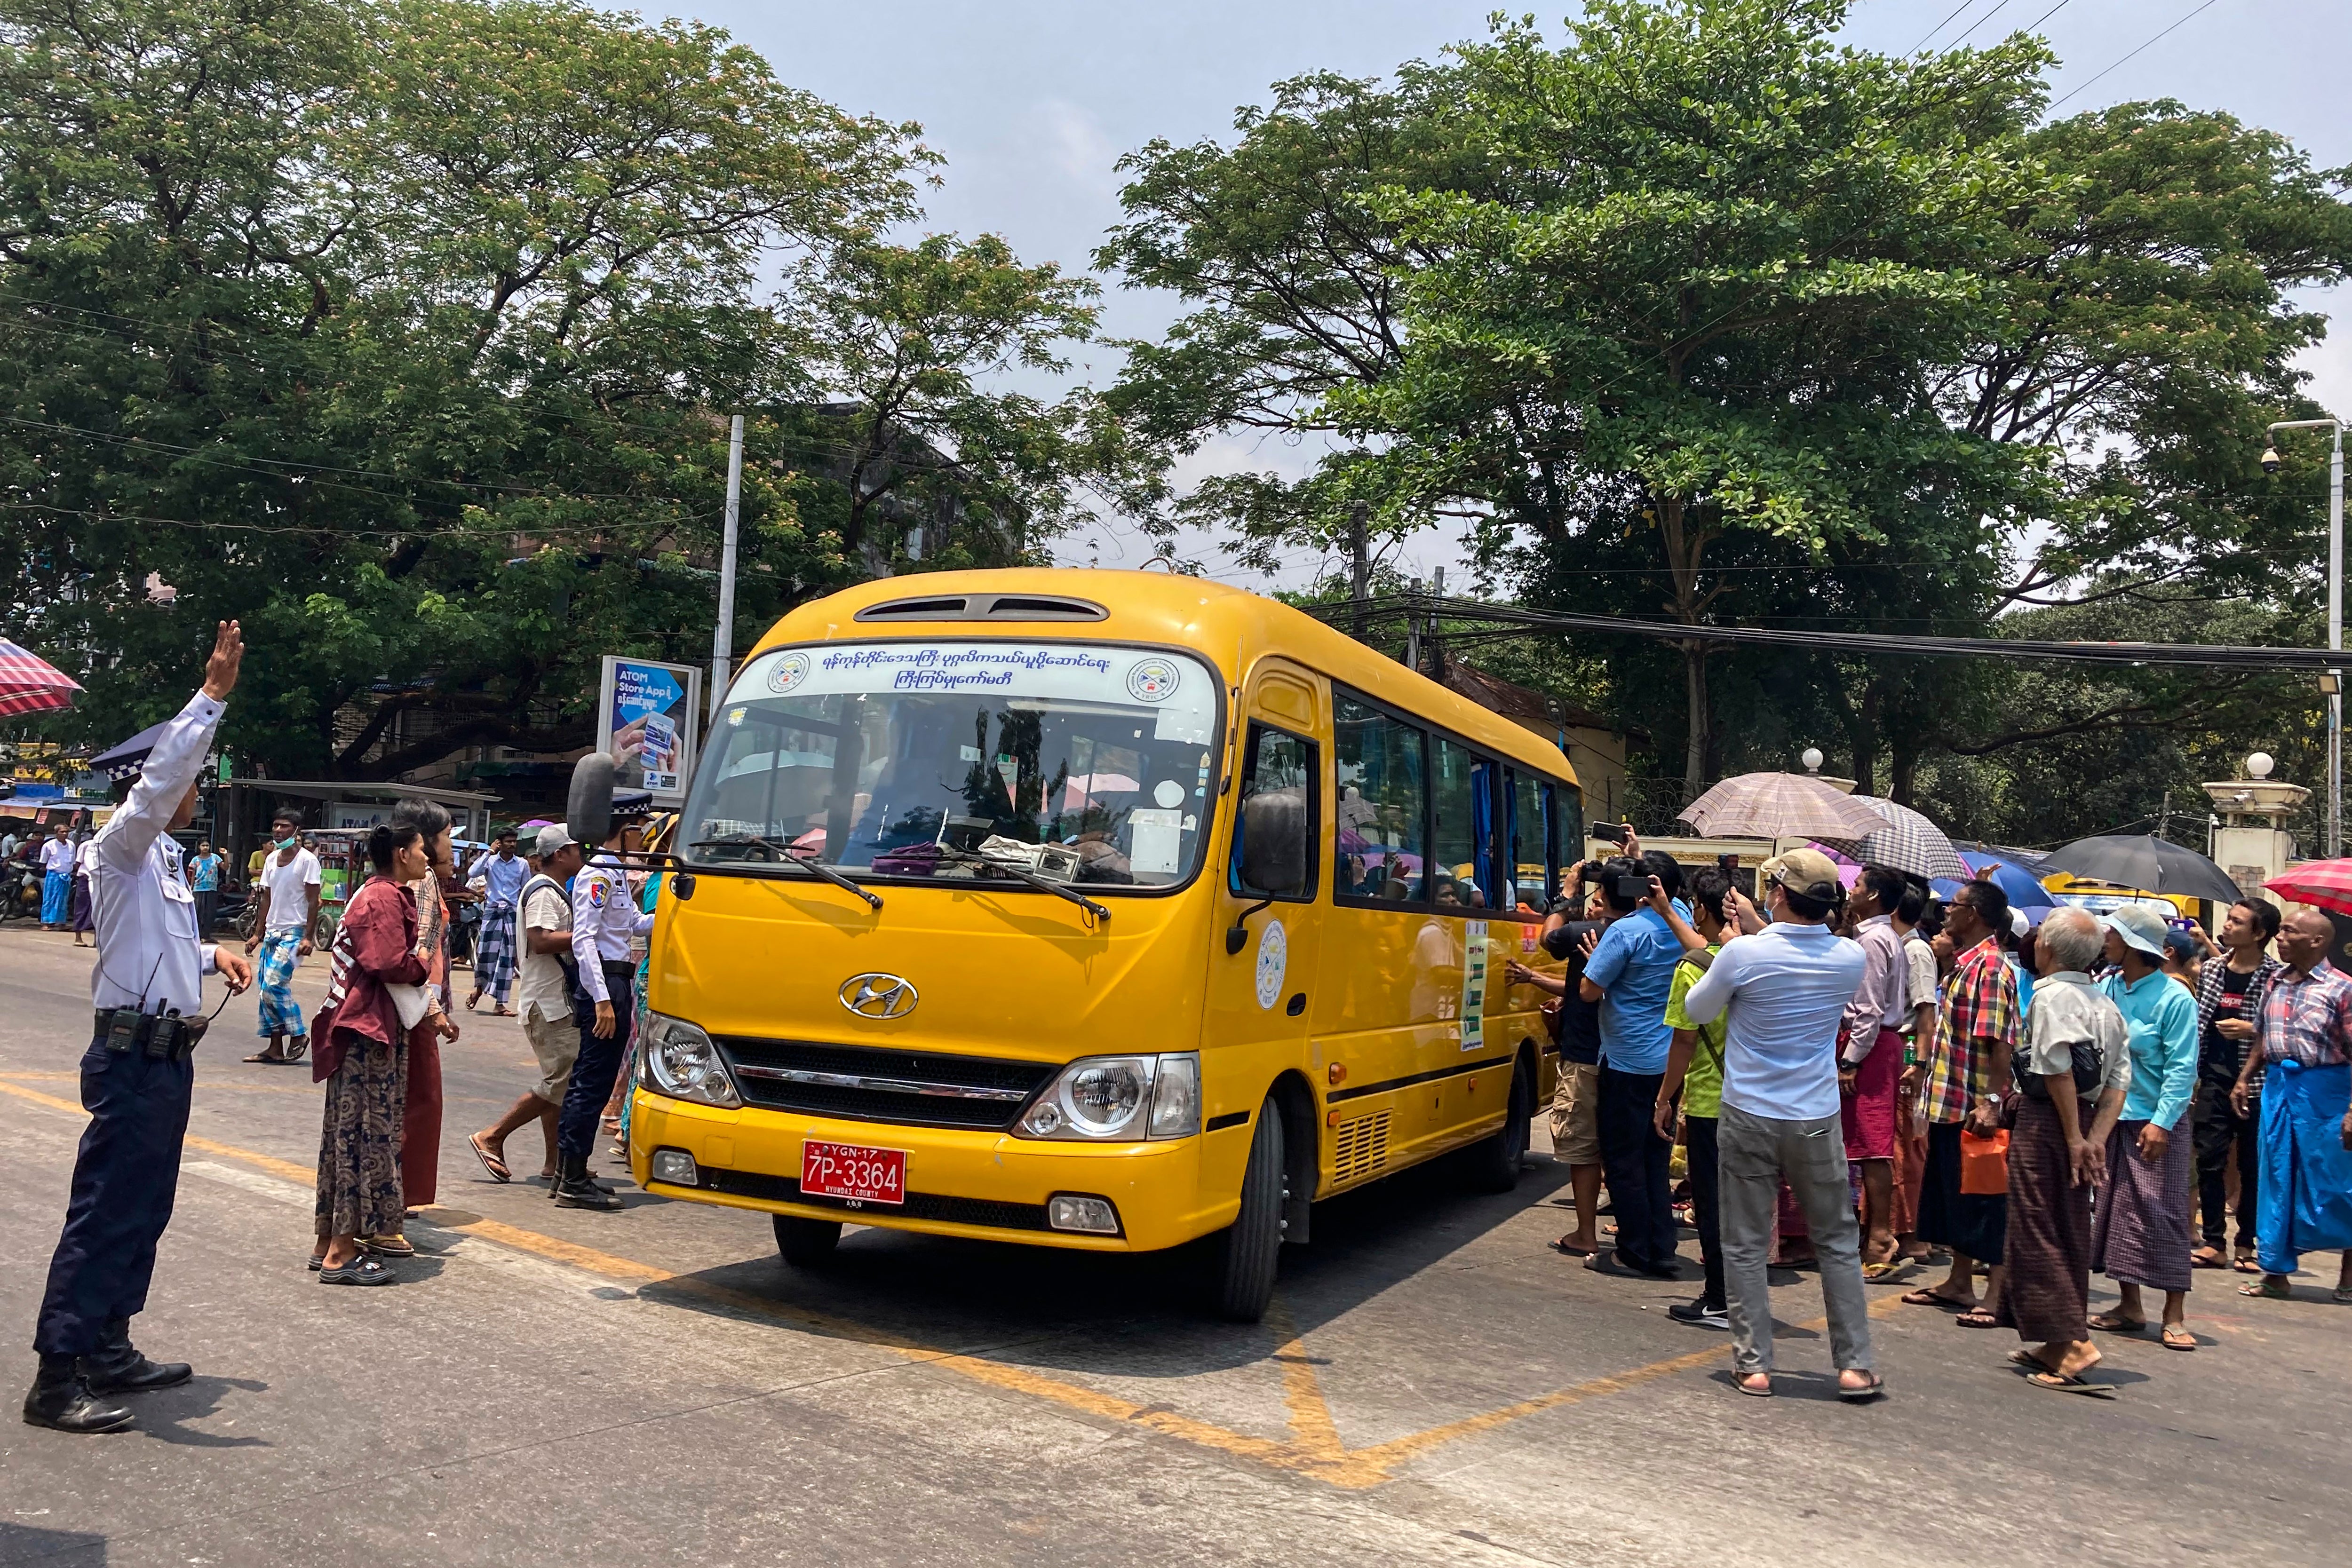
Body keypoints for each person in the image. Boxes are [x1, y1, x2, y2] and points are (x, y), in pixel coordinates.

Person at [23, 622, 254, 1433]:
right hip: (127, 1057)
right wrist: (210, 697)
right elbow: (157, 787)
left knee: (146, 1206)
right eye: (190, 779)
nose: (195, 792)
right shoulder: (118, 844)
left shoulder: (163, 863)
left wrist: (212, 953)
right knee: (105, 1211)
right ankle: (57, 1376)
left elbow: (157, 950)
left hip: (165, 1056)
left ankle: (110, 1344)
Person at [1677, 848, 1880, 1401]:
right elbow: (1798, 948)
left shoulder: (1741, 953)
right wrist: (1754, 931)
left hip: (1748, 1112)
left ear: (1778, 894)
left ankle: (1753, 1365)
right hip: (1814, 1115)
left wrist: (1732, 945)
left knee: (1743, 1242)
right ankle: (1855, 1365)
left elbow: (1697, 1010)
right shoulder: (1848, 957)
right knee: (1836, 1240)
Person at [1996, 909, 2130, 1393]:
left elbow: (2057, 1071)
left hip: (2050, 1121)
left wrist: (2075, 1138)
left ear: (2046, 948)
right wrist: (2095, 1139)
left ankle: (2074, 1343)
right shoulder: (2105, 1003)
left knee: (2036, 1226)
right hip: (2087, 1122)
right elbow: (2119, 1080)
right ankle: (2054, 1339)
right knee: (2067, 1226)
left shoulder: (2051, 995)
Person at [307, 819, 434, 1285]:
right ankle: (341, 1254)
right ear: (402, 854)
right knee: (365, 1136)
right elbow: (386, 962)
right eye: (421, 849)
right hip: (367, 1032)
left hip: (364, 1029)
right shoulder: (383, 897)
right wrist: (421, 965)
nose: (426, 857)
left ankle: (328, 1242)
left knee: (347, 1135)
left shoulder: (377, 893)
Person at [1905, 878, 2020, 1327]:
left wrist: (1991, 1102)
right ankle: (1958, 1282)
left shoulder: (1989, 968)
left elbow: (1999, 1043)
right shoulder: (1964, 964)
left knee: (1985, 1201)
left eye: (1953, 906)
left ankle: (1996, 1295)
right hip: (1950, 1100)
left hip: (1972, 1107)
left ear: (1973, 914)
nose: (1945, 912)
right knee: (1954, 1196)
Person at [2089, 905, 2202, 1351]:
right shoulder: (2108, 987)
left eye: (2114, 934)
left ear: (2135, 945)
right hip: (2112, 1117)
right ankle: (2129, 1304)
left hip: (2155, 1122)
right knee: (2117, 1211)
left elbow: (2182, 1068)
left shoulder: (2175, 998)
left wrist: (2162, 1123)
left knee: (2164, 1214)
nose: (2106, 940)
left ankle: (2174, 1313)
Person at [1578, 850, 1690, 1277]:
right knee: (1655, 1159)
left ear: (1642, 888)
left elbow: (1589, 991)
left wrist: (1596, 960)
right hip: (1669, 1061)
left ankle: (1633, 1250)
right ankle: (1661, 1247)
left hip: (1627, 1059)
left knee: (1624, 1160)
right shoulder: (1683, 921)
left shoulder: (1626, 931)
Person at [2232, 909, 2352, 1305]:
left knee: (2336, 1183)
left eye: (2289, 931)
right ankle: (2276, 1273)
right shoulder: (2276, 981)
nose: (2279, 937)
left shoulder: (2342, 988)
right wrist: (2244, 1078)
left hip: (2328, 1094)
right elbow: (2263, 1037)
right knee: (2277, 1179)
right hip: (2279, 1089)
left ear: (2317, 941)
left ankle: (2349, 1275)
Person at [556, 792, 657, 1210]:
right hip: (605, 984)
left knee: (592, 1079)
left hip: (616, 980)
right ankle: (573, 1180)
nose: (643, 837)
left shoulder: (613, 872)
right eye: (641, 829)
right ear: (626, 830)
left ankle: (568, 1171)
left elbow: (633, 924)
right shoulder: (597, 874)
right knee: (592, 1082)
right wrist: (601, 1000)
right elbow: (584, 940)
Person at [469, 825, 585, 1185]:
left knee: (558, 1081)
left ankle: (555, 1162)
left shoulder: (553, 889)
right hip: (548, 1003)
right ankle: (493, 1135)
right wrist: (588, 934)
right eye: (577, 849)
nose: (582, 854)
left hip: (552, 1001)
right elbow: (541, 940)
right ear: (560, 855)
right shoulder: (544, 892)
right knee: (563, 1079)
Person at [1653, 867, 1738, 1328]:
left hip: (1709, 1101)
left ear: (1701, 910)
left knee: (1711, 1203)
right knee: (1742, 1204)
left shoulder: (1693, 969)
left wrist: (1664, 1098)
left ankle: (1720, 1299)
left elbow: (1683, 1041)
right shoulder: (1752, 959)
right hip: (1754, 1100)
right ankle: (1739, 1295)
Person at [1511, 871, 1613, 1257]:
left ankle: (1586, 1234)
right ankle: (1637, 1233)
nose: (1591, 907)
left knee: (1582, 1150)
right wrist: (1534, 978)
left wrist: (1566, 894)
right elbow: (1578, 988)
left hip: (1587, 1056)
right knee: (1621, 1146)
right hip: (1630, 1060)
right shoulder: (1654, 934)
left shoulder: (1591, 934)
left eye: (1597, 900)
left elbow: (1550, 938)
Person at [2190, 898, 2281, 1272]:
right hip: (2213, 1077)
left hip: (2258, 1082)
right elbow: (2200, 1022)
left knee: (2252, 1165)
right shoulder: (2213, 969)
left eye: (2237, 922)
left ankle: (2247, 1242)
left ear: (2259, 934)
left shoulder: (2275, 976)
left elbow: (2282, 1030)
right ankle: (2214, 1241)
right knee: (2209, 1160)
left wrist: (2252, 1029)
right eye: (2228, 919)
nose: (2227, 926)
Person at [387, 799, 462, 1248]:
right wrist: (433, 1009)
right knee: (416, 1100)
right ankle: (392, 1197)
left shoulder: (419, 877)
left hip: (416, 999)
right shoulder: (420, 880)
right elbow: (412, 954)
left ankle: (395, 1194)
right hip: (411, 1005)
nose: (451, 844)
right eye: (448, 835)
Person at [1839, 864, 1911, 1274]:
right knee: (1864, 1142)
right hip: (1874, 1044)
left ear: (1873, 896)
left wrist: (1851, 1060)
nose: (1852, 890)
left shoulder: (1873, 940)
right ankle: (1872, 1233)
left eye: (1859, 885)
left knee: (1872, 1144)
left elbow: (1868, 1010)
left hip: (1870, 1047)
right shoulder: (1879, 937)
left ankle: (1881, 1235)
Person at [241, 810, 320, 1065]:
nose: (278, 830)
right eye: (275, 826)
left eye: (284, 826)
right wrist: (257, 933)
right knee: (264, 991)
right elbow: (266, 897)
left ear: (296, 830)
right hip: (273, 933)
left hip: (294, 933)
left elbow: (314, 901)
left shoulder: (307, 861)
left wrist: (308, 937)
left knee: (274, 985)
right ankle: (275, 1047)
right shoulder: (272, 860)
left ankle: (298, 1034)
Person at [1891, 882, 1940, 1266]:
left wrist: (1920, 1063)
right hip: (1896, 1049)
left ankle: (1911, 1233)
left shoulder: (1916, 950)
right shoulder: (1893, 945)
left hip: (1908, 1050)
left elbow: (1926, 1011)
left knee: (1907, 1143)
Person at [464, 829, 526, 1015]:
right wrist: (489, 852)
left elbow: (525, 890)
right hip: (492, 913)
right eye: (508, 841)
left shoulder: (522, 864)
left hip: (511, 914)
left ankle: (500, 1004)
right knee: (485, 955)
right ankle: (479, 988)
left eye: (514, 841)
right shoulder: (489, 861)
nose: (512, 845)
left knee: (506, 959)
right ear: (499, 843)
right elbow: (472, 872)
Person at [38, 821, 73, 928]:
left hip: (66, 876)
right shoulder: (49, 845)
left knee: (63, 900)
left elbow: (73, 862)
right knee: (50, 898)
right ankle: (46, 922)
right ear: (56, 833)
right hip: (54, 875)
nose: (65, 834)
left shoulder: (71, 845)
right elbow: (43, 862)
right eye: (62, 832)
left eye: (66, 832)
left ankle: (61, 923)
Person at [186, 839, 222, 938]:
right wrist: (191, 888)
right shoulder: (195, 860)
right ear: (199, 847)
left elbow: (225, 867)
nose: (205, 847)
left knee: (210, 913)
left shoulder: (215, 858)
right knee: (198, 913)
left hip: (212, 889)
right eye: (203, 845)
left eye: (207, 845)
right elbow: (192, 875)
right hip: (198, 889)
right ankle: (197, 935)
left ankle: (206, 936)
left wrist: (226, 855)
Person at [68, 831, 96, 947]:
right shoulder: (86, 845)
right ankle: (78, 937)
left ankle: (97, 939)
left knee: (99, 910)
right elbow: (78, 863)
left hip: (101, 881)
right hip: (85, 879)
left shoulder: (109, 846)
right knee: (82, 906)